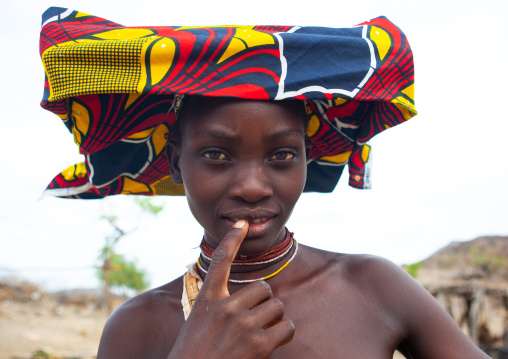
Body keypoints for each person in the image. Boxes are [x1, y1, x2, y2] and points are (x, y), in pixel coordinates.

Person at [38, 7, 490, 358]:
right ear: (177, 164)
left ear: (307, 160)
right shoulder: (136, 327)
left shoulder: (373, 286)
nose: (252, 186)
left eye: (281, 155)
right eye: (216, 155)